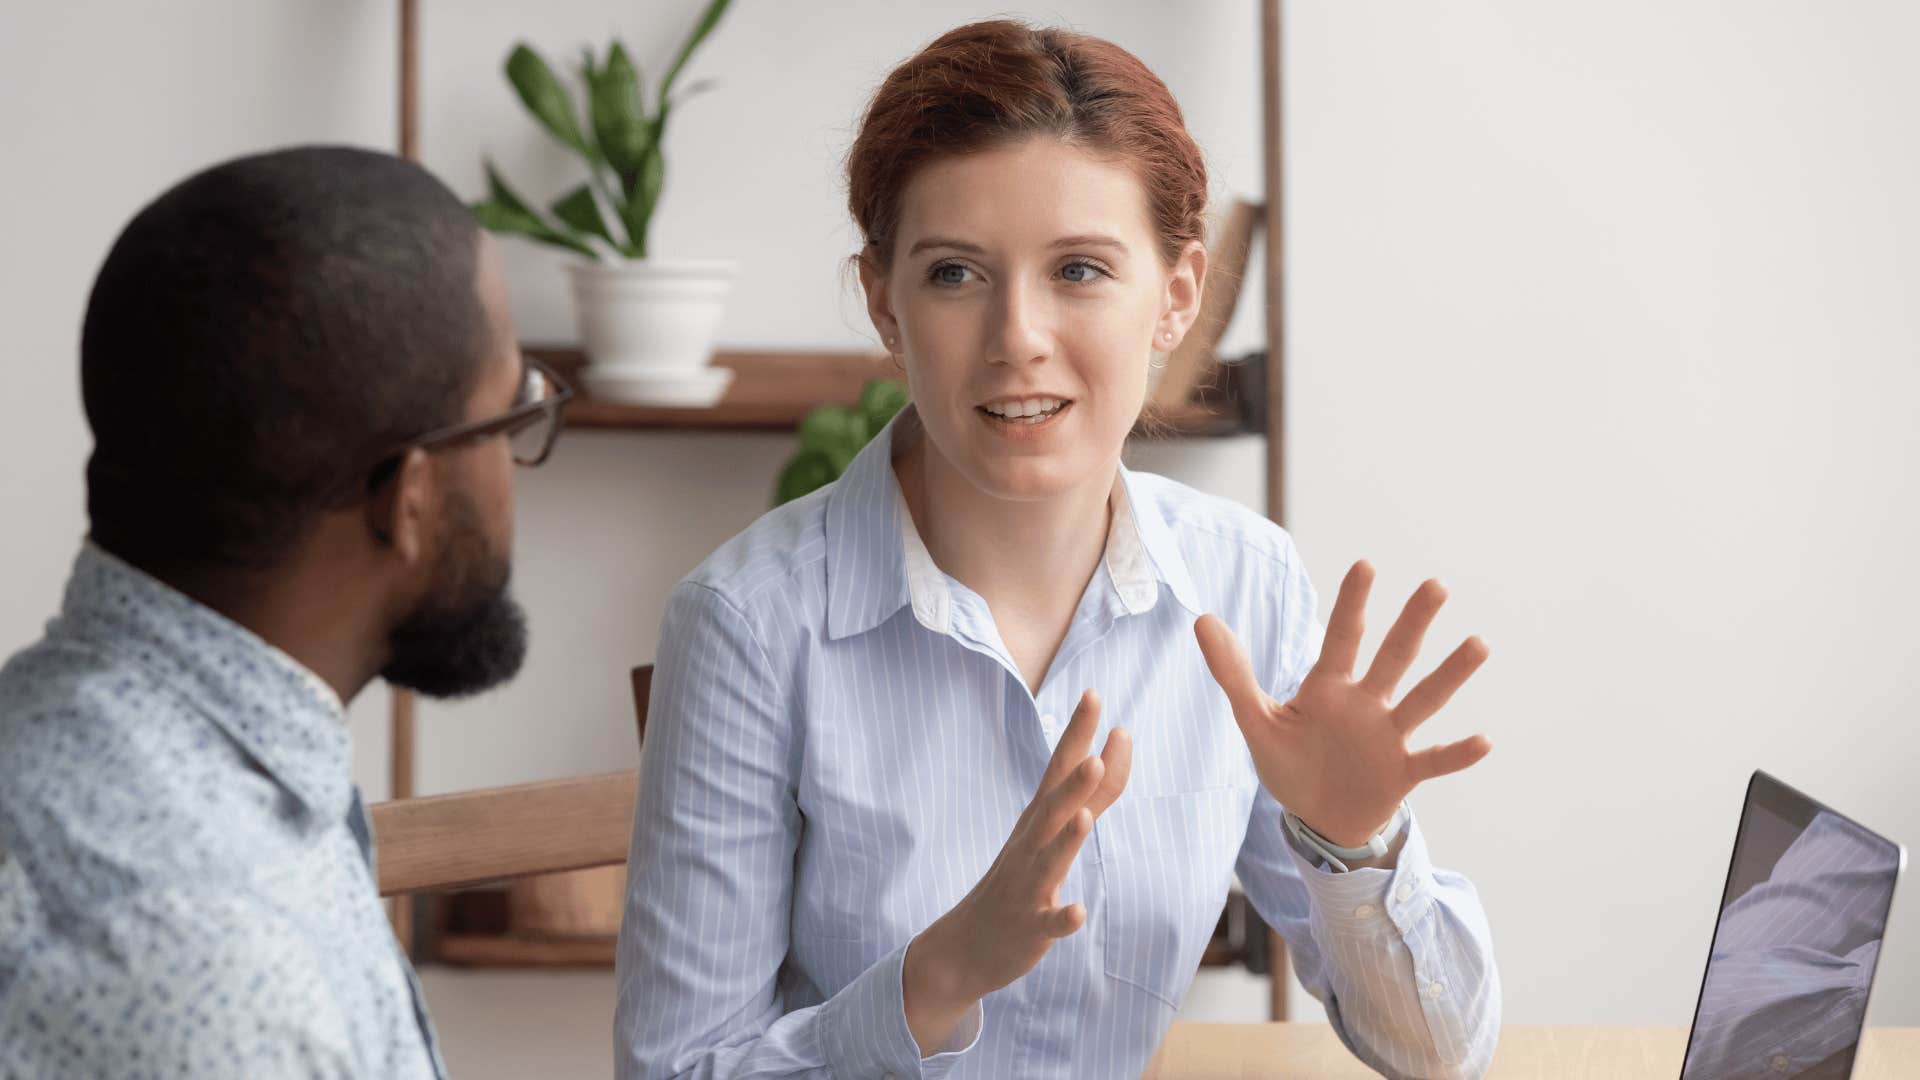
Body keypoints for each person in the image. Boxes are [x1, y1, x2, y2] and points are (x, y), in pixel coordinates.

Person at [615, 20, 1500, 1080]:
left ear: (1176, 297)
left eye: (1079, 269)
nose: (1016, 336)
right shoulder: (750, 624)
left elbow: (1441, 1057)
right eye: (953, 274)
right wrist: (935, 979)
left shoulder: (1245, 587)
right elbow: (672, 1070)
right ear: (883, 304)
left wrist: (1357, 849)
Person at [0, 146, 571, 1077]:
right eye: (509, 417)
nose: (518, 464)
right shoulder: (219, 978)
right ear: (411, 498)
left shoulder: (64, 736)